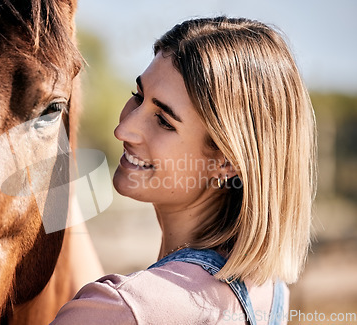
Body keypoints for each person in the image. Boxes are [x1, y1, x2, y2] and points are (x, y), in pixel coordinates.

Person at [50, 17, 316, 324]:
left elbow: (128, 310)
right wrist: (58, 194)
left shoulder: (125, 309)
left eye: (164, 121)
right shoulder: (269, 291)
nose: (123, 129)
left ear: (226, 161)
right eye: (138, 96)